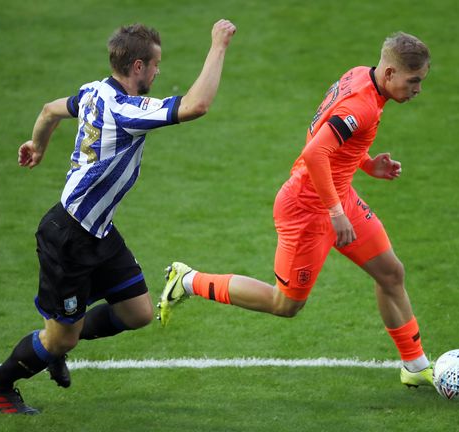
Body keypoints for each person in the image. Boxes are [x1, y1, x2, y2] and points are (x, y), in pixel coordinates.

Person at [0, 19, 237, 414]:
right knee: (60, 338)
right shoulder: (126, 110)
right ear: (137, 67)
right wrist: (218, 45)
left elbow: (49, 110)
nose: (158, 71)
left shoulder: (94, 91)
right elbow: (196, 105)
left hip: (97, 230)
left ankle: (62, 339)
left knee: (138, 313)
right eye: (154, 64)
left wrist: (37, 145)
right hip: (68, 238)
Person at [159, 32, 435, 388]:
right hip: (307, 209)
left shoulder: (361, 76)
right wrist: (336, 213)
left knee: (391, 274)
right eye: (414, 81)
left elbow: (329, 137)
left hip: (337, 196)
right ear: (391, 74)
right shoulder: (362, 106)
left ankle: (415, 365)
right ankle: (188, 280)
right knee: (285, 304)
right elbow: (315, 153)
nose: (418, 89)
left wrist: (366, 165)